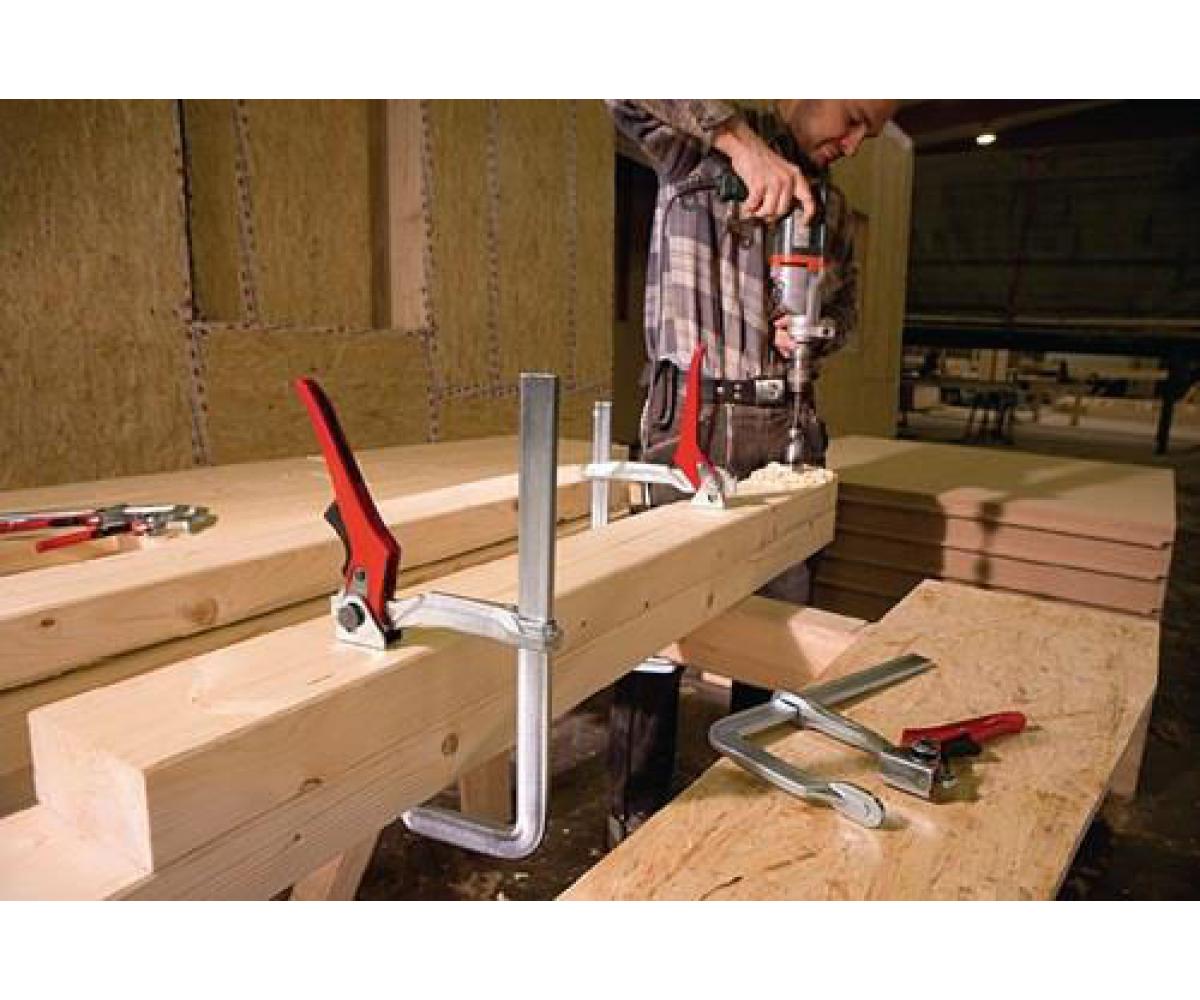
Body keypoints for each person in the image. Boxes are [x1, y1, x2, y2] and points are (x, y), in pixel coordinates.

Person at [604, 99, 899, 847]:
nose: (854, 143)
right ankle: (634, 821)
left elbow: (845, 313)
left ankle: (749, 809)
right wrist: (740, 144)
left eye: (868, 133)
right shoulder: (695, 148)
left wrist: (813, 327)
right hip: (690, 418)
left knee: (775, 635)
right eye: (854, 117)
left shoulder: (829, 206)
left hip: (786, 421)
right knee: (654, 630)